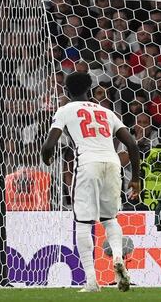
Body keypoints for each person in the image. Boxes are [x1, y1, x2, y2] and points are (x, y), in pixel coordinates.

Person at [40, 72, 141, 293]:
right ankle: (118, 257)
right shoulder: (107, 112)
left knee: (84, 223)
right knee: (110, 219)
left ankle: (92, 282)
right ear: (89, 90)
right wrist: (135, 178)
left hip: (87, 164)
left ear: (67, 91)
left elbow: (49, 145)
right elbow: (132, 145)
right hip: (112, 164)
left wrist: (46, 158)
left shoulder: (65, 110)